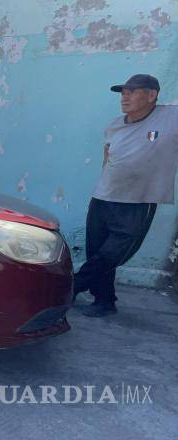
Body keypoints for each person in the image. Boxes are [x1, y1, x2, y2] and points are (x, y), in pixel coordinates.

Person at [74, 74, 177, 317]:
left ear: (151, 95)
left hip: (137, 202)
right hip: (103, 198)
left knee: (112, 254)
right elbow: (107, 158)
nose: (125, 96)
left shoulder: (170, 118)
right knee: (97, 251)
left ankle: (73, 286)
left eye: (132, 91)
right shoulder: (115, 125)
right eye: (122, 92)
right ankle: (104, 302)